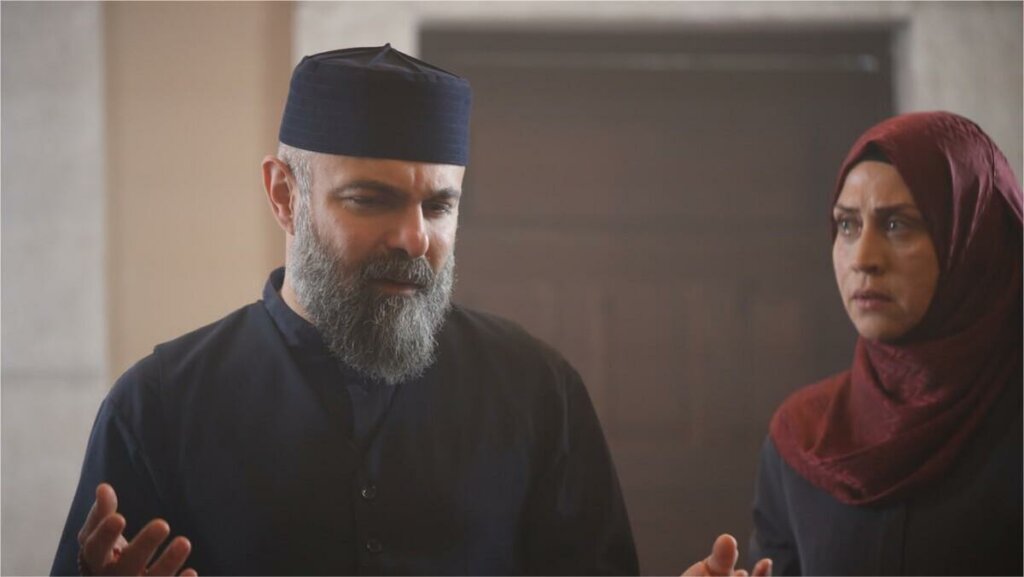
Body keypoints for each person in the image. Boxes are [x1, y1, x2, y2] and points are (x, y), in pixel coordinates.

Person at [52, 44, 769, 577]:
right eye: (372, 199)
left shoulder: (536, 391)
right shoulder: (157, 406)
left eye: (439, 205)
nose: (414, 237)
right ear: (284, 196)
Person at [749, 111, 1023, 575]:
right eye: (847, 225)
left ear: (974, 236)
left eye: (897, 224)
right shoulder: (804, 437)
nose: (863, 258)